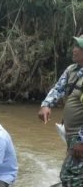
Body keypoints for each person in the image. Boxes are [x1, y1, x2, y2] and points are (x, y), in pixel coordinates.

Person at [38, 35, 83, 186]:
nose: (74, 49)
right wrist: (46, 105)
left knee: (70, 176)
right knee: (70, 175)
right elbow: (58, 88)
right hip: (71, 136)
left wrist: (81, 140)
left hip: (79, 137)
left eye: (78, 46)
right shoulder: (72, 70)